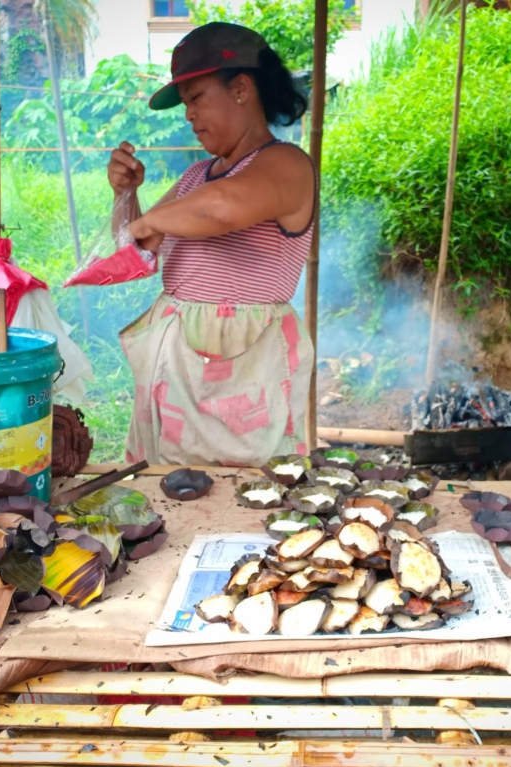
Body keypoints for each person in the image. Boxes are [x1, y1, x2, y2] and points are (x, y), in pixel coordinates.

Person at [105, 22, 316, 467]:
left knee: (242, 493)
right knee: (169, 486)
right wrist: (126, 197)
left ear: (241, 88)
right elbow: (132, 248)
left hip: (243, 369)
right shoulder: (196, 178)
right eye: (185, 105)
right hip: (178, 368)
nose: (188, 116)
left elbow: (222, 209)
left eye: (196, 98)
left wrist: (148, 222)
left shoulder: (286, 163)